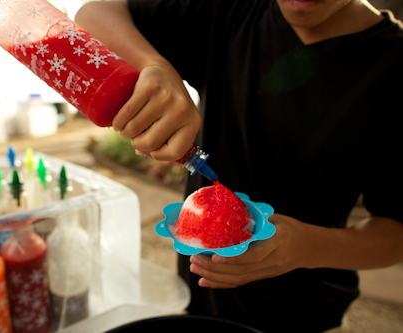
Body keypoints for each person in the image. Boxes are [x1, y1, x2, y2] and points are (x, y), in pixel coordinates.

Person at [75, 1, 403, 332]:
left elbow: (395, 232)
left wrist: (305, 246)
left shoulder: (393, 66)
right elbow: (96, 12)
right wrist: (154, 66)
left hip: (309, 315)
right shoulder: (230, 10)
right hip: (200, 303)